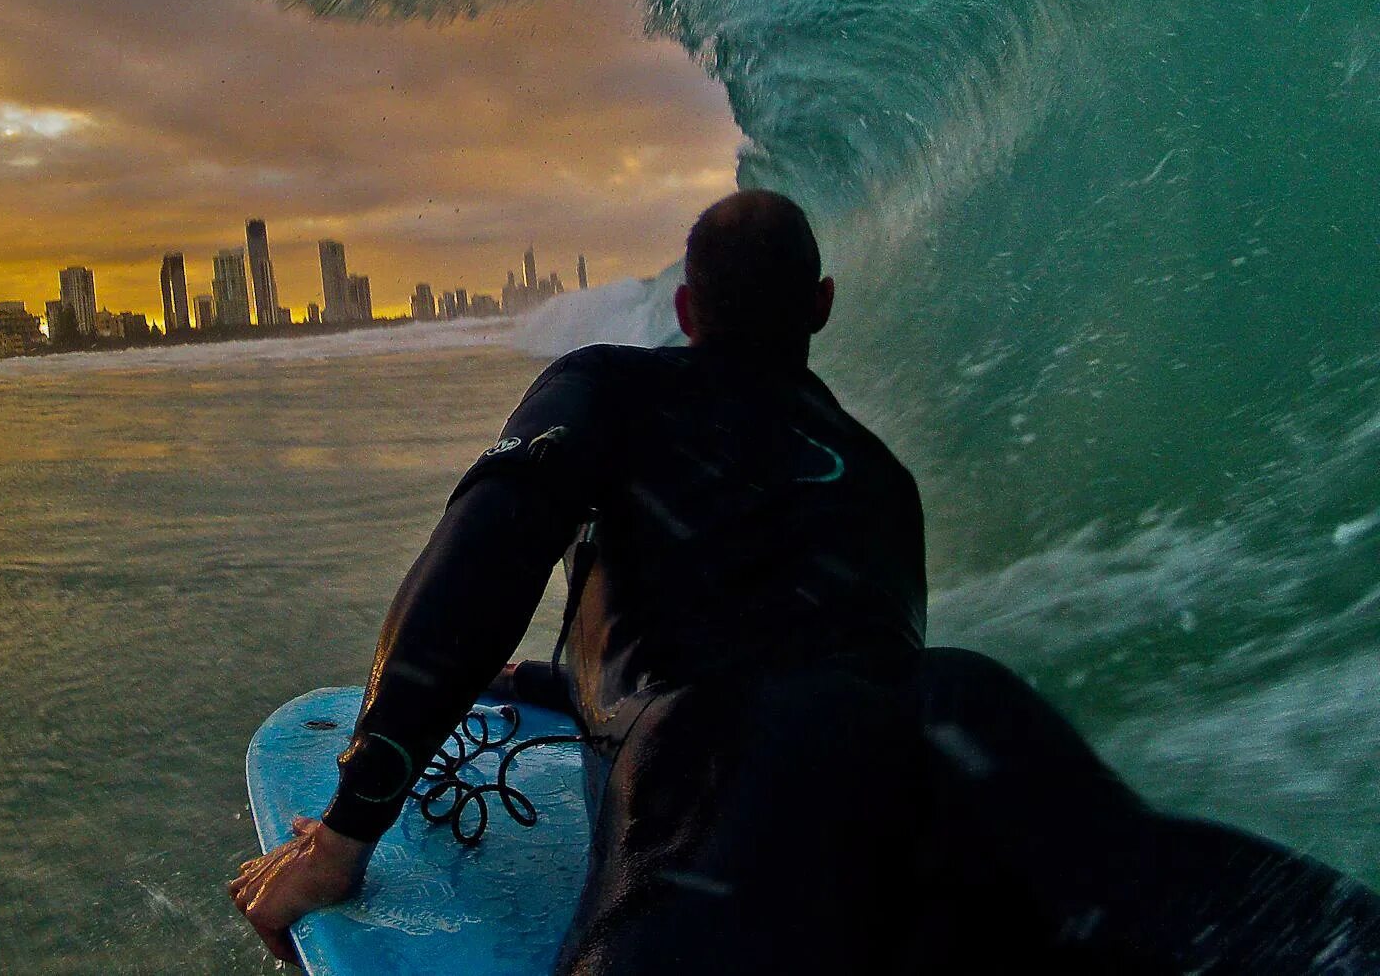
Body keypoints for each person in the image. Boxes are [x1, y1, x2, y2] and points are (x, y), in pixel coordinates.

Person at [229, 190, 1380, 973]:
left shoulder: (613, 390)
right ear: (819, 309)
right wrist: (551, 680)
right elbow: (813, 651)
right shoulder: (880, 478)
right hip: (967, 728)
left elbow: (485, 557)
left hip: (727, 765)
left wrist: (347, 829)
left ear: (683, 312)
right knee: (1263, 931)